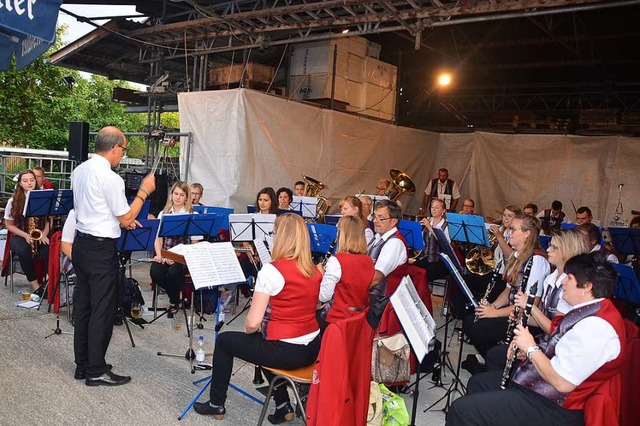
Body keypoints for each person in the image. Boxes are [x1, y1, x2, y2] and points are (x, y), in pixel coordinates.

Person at [447, 252, 626, 426]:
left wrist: (531, 348)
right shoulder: (590, 309)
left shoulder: (597, 327)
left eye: (569, 278)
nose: (563, 281)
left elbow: (562, 383)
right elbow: (562, 348)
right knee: (479, 383)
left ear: (587, 286)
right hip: (545, 387)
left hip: (556, 406)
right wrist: (528, 351)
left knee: (461, 410)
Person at [194, 214, 322, 422]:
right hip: (313, 348)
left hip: (286, 351)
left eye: (274, 232)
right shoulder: (314, 270)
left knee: (227, 341)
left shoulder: (272, 270)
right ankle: (283, 405)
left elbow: (252, 324)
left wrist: (252, 328)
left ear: (282, 237)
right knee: (262, 344)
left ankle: (216, 404)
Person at [71, 126, 155, 386]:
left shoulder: (79, 170)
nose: (123, 154)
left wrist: (122, 221)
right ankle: (96, 370)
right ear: (115, 147)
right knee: (103, 309)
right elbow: (126, 216)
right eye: (124, 149)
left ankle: (82, 365)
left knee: (84, 306)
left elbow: (96, 208)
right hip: (100, 250)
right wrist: (143, 191)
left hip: (81, 244)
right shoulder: (110, 178)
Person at [484, 228, 590, 371]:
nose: (548, 249)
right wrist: (520, 316)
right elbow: (543, 318)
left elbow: (556, 330)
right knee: (495, 354)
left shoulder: (570, 287)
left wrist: (530, 307)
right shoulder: (551, 279)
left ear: (567, 250)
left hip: (556, 349)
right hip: (545, 339)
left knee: (495, 355)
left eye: (554, 247)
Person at [462, 214, 549, 372]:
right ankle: (492, 361)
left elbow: (529, 305)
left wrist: (494, 314)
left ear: (527, 233)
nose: (508, 233)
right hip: (512, 311)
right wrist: (491, 307)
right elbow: (508, 290)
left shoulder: (537, 261)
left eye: (513, 229)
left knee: (478, 329)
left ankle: (497, 365)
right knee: (470, 321)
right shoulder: (517, 255)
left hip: (526, 320)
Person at [317, 215, 375, 326]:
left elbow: (323, 296)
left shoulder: (336, 261)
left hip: (338, 319)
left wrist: (320, 275)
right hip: (359, 317)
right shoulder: (368, 260)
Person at [150, 182, 195, 313]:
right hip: (166, 254)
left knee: (173, 272)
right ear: (172, 195)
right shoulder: (163, 213)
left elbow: (195, 242)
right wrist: (159, 255)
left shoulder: (191, 214)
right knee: (155, 272)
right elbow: (158, 238)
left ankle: (174, 302)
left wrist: (178, 258)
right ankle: (176, 297)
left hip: (183, 257)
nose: (178, 197)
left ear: (186, 198)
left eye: (182, 195)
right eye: (176, 194)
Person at [3, 169, 50, 296]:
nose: (29, 183)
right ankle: (35, 285)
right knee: (23, 250)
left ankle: (48, 280)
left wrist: (44, 234)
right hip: (20, 234)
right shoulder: (13, 201)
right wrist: (25, 235)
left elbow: (48, 220)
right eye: (25, 181)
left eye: (32, 180)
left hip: (39, 234)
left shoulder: (44, 198)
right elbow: (8, 225)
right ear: (20, 183)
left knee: (48, 249)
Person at [367, 200, 408, 304]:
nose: (375, 221)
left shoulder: (394, 243)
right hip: (370, 294)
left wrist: (353, 290)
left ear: (393, 221)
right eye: (374, 217)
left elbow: (376, 279)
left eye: (380, 218)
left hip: (379, 300)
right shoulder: (377, 237)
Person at [415, 198, 451, 282]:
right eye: (432, 207)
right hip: (426, 258)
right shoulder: (428, 222)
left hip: (440, 261)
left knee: (424, 274)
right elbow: (421, 242)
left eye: (437, 207)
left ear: (443, 211)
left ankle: (423, 293)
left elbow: (445, 245)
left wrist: (430, 228)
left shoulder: (446, 226)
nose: (433, 209)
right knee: (411, 270)